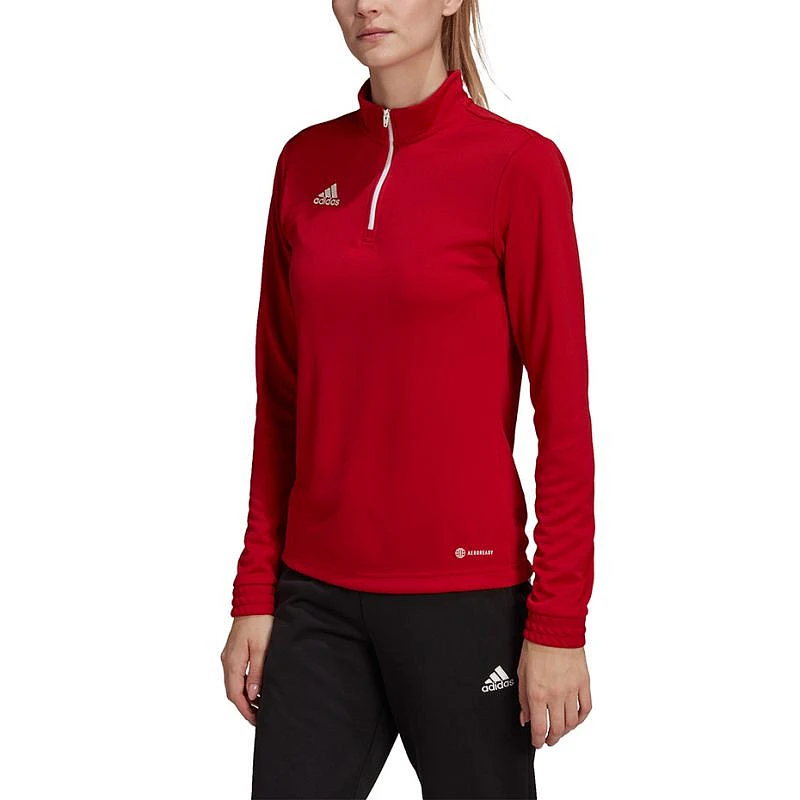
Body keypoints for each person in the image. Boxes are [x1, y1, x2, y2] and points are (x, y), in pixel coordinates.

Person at [220, 1, 595, 797]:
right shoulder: (305, 164)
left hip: (467, 598)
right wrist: (255, 590)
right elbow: (281, 399)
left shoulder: (519, 167)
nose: (366, 4)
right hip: (316, 597)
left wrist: (559, 620)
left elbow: (563, 414)